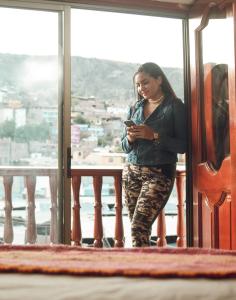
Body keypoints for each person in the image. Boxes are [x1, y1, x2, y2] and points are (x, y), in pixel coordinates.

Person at [121, 62, 187, 247]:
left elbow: (183, 145)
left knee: (138, 227)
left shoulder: (175, 106)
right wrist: (131, 139)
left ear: (159, 79)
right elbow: (124, 147)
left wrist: (155, 136)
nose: (141, 88)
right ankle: (143, 269)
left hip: (158, 175)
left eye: (145, 82)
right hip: (131, 173)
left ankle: (142, 271)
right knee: (137, 230)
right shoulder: (135, 108)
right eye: (138, 85)